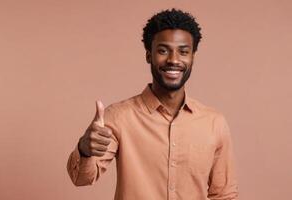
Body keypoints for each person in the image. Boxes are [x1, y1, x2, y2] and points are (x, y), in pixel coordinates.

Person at [67, 8, 239, 200]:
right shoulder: (118, 117)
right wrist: (84, 149)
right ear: (149, 55)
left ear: (192, 58)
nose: (174, 60)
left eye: (183, 51)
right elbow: (81, 178)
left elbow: (224, 194)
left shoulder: (214, 123)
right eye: (163, 50)